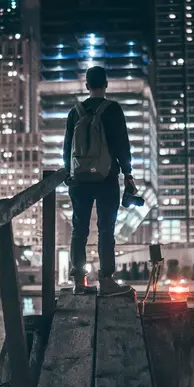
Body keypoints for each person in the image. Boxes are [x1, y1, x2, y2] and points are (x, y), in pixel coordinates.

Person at [63, 65, 135, 297]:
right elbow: (122, 145)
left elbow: (67, 149)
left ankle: (79, 283)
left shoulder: (75, 112)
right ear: (106, 85)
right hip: (107, 178)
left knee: (79, 229)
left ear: (87, 86)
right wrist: (128, 174)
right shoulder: (113, 109)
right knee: (106, 229)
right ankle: (106, 280)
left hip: (80, 180)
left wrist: (70, 174)